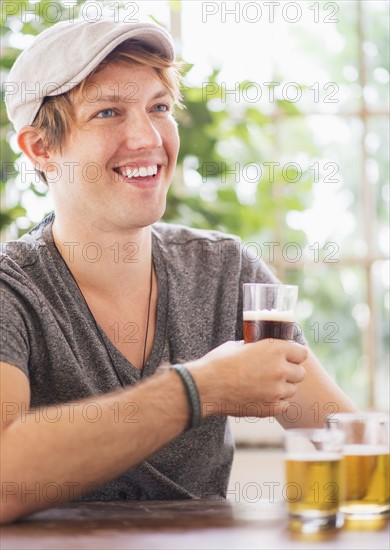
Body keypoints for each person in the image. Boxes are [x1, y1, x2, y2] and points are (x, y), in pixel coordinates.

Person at [0, 19, 357, 524]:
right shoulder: (11, 289)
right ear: (41, 149)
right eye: (108, 112)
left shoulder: (224, 272)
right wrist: (199, 389)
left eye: (159, 108)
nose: (147, 137)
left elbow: (343, 437)